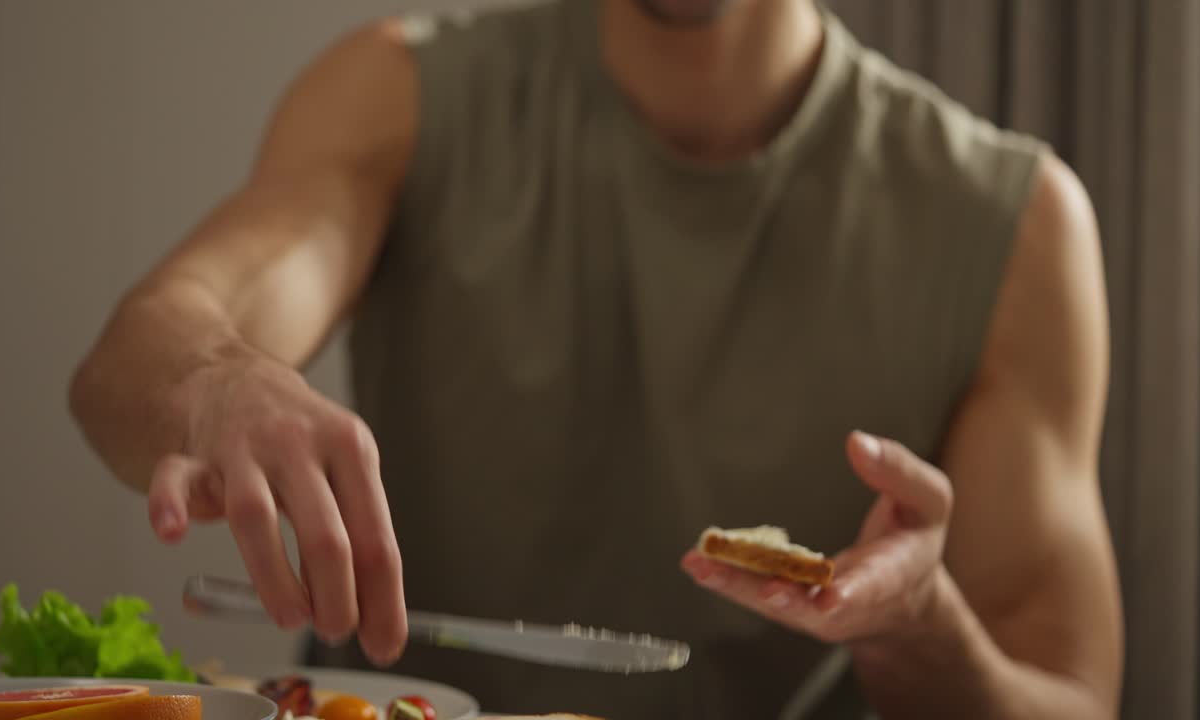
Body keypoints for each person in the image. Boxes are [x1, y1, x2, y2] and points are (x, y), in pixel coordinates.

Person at [69, 0, 1124, 717]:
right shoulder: (399, 92)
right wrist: (219, 385)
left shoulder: (1016, 224)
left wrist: (917, 625)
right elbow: (141, 352)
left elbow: (1071, 698)